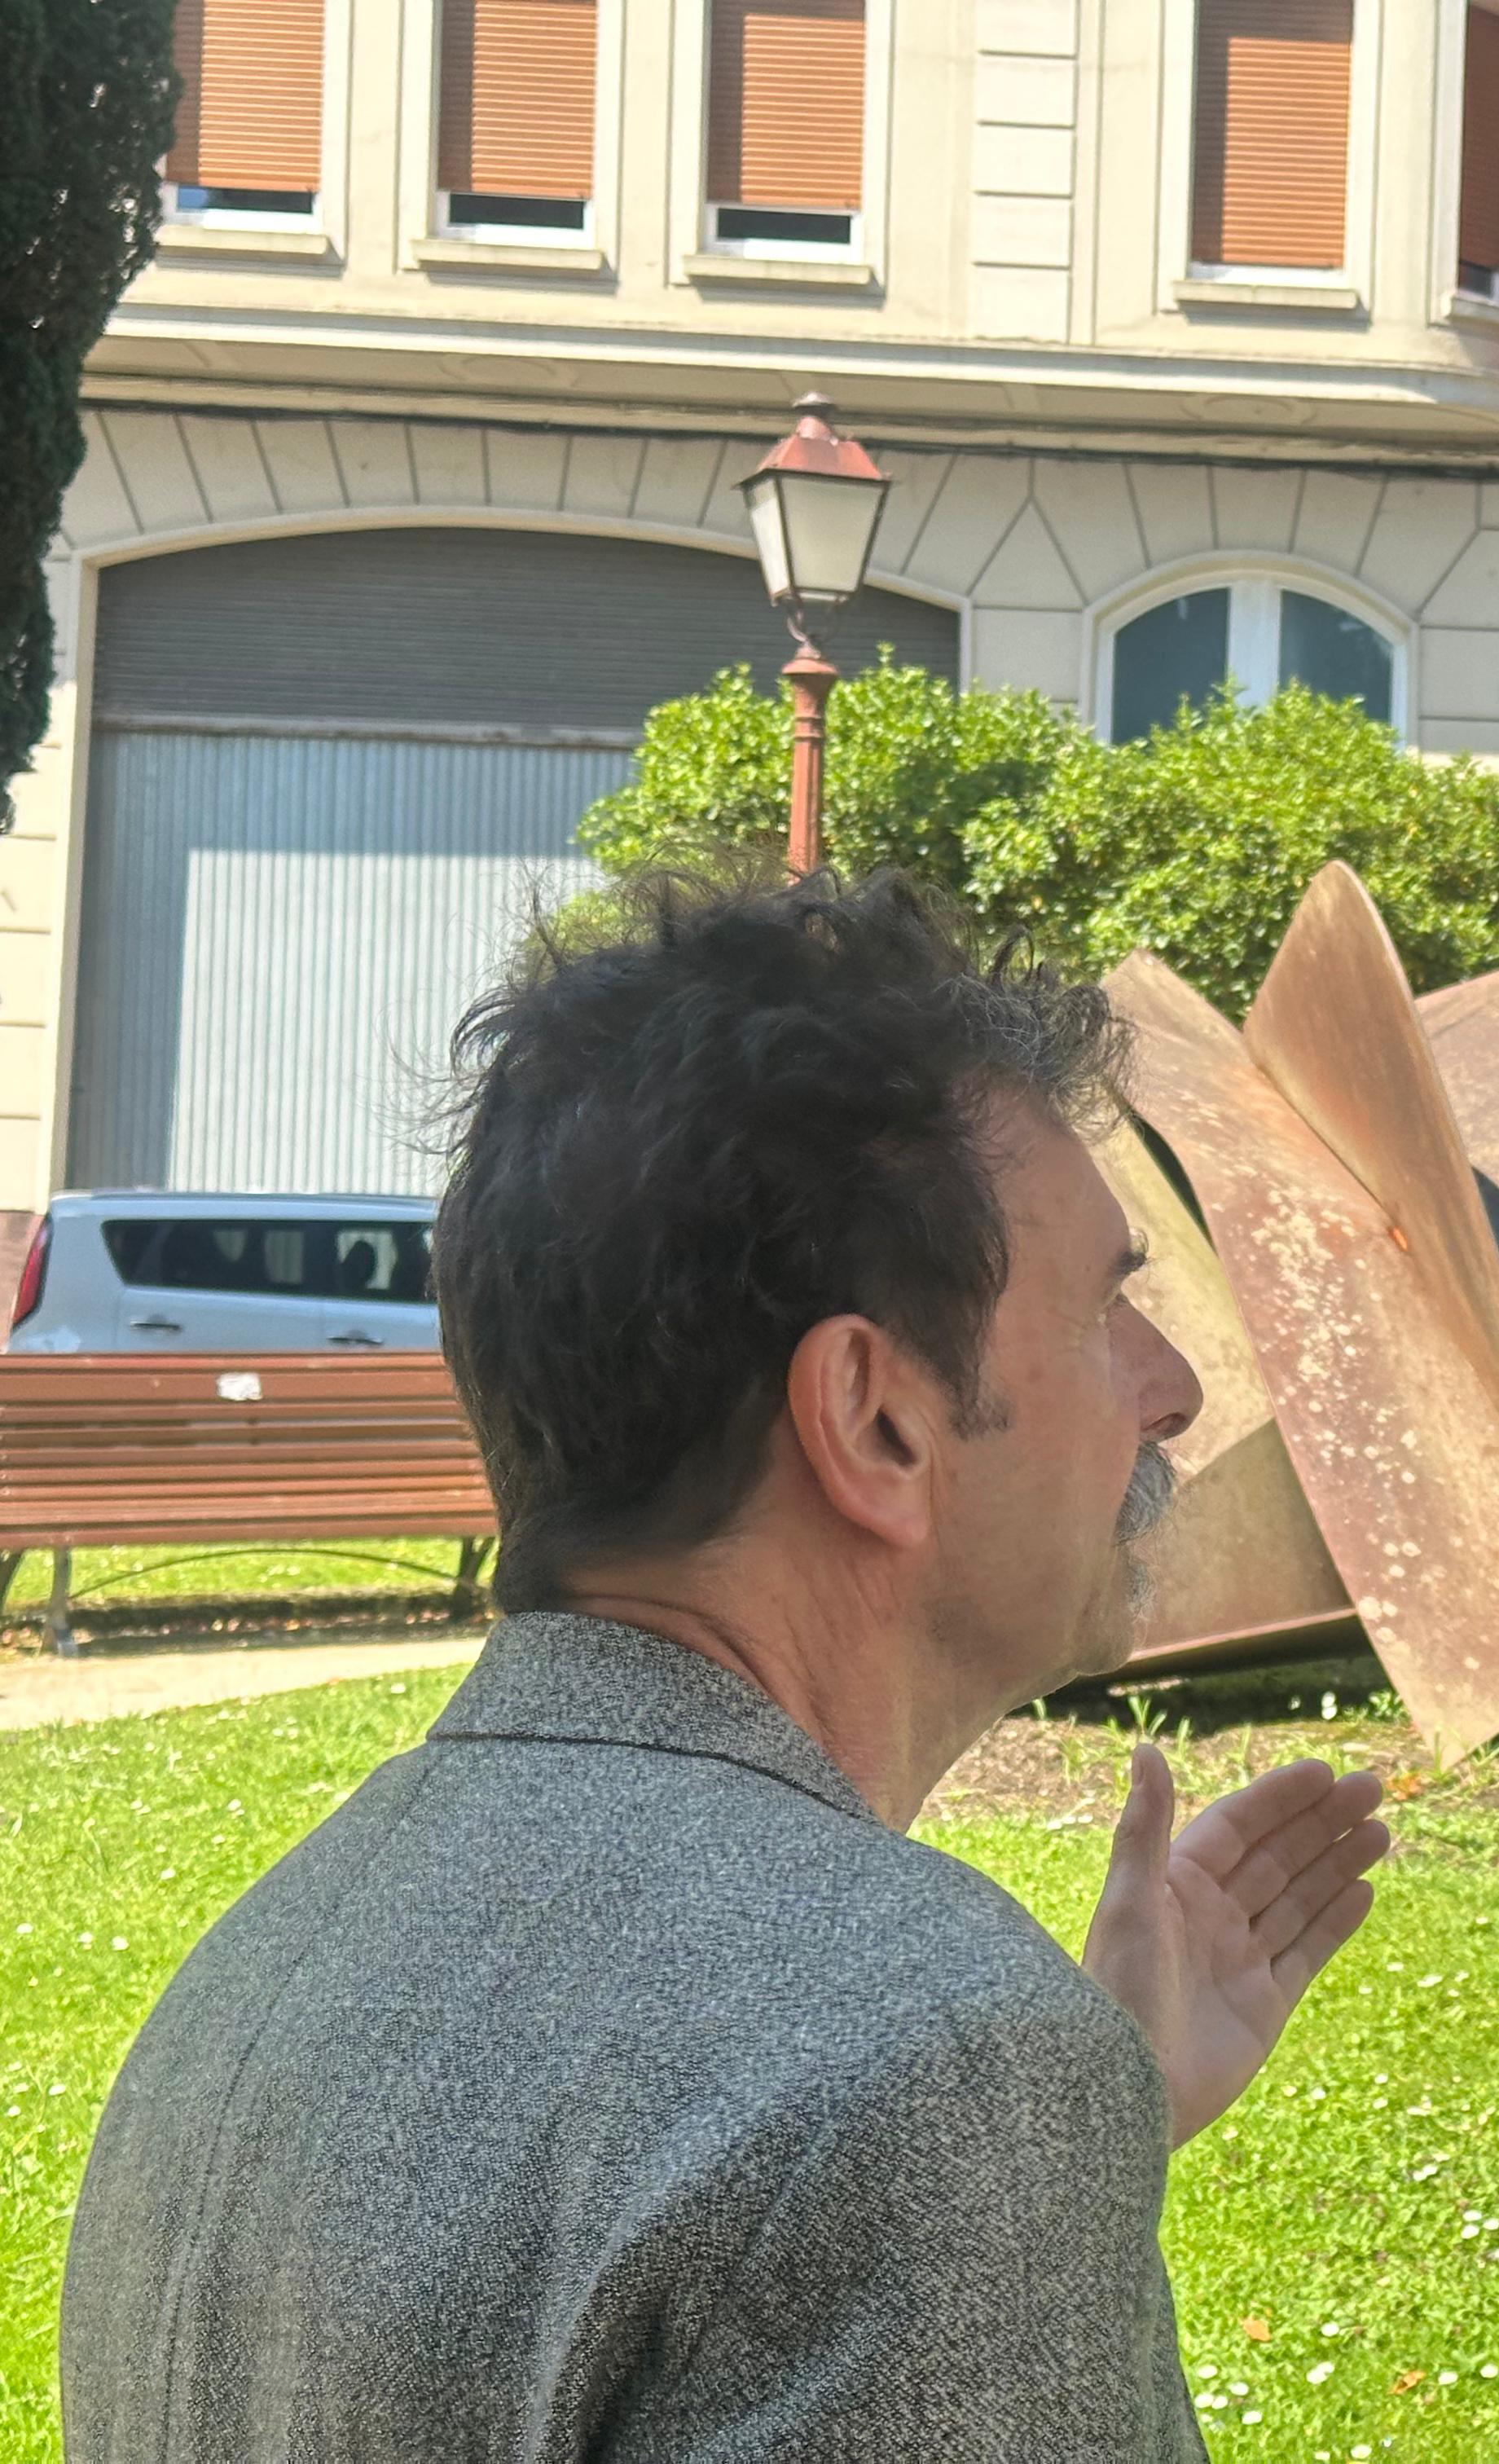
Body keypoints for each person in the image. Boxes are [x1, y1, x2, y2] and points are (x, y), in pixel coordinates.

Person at [60, 873, 1389, 2459]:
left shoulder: (246, 1989)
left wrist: (1068, 2168)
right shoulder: (934, 2071)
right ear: (874, 1422)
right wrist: (1004, 2140)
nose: (1172, 1391)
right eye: (1105, 1306)